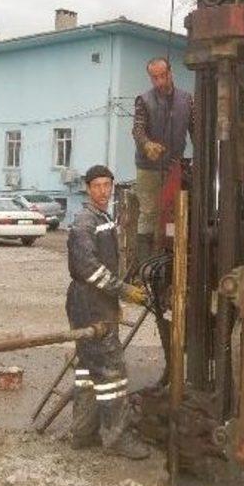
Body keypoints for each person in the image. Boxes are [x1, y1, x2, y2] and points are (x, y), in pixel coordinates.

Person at [66, 165, 150, 459]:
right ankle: (117, 438)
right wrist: (123, 290)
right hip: (90, 301)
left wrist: (116, 298)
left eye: (107, 185)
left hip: (95, 301)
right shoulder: (84, 222)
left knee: (89, 370)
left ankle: (82, 432)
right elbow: (89, 268)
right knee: (113, 373)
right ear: (88, 188)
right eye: (97, 185)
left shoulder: (103, 218)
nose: (103, 190)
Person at [132, 57, 194, 262]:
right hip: (148, 167)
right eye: (154, 78)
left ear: (171, 73)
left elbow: (196, 132)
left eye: (163, 76)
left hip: (174, 166)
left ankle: (166, 261)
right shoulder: (144, 100)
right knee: (149, 212)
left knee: (172, 214)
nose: (159, 82)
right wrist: (147, 144)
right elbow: (138, 130)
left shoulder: (187, 100)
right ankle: (143, 266)